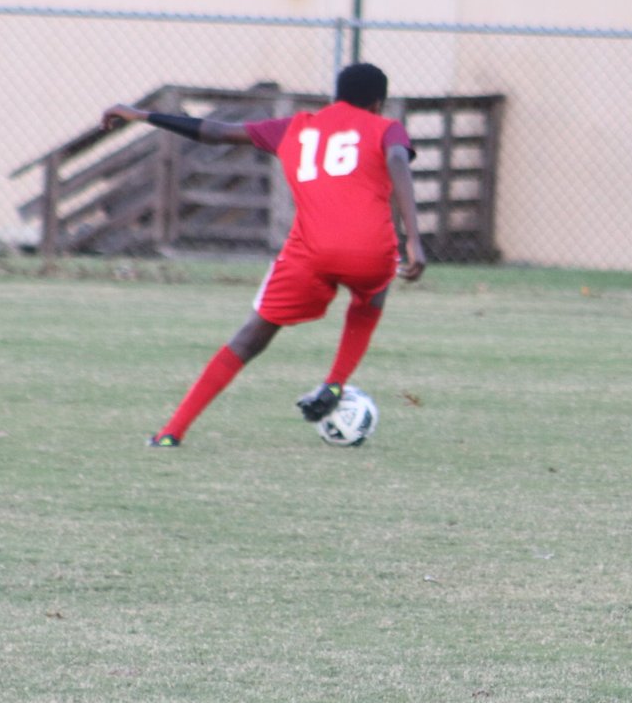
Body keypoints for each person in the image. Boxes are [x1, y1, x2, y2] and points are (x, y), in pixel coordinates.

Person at [100, 62, 427, 448]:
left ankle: (171, 432)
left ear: (335, 97)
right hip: (369, 250)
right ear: (378, 103)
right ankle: (335, 383)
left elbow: (214, 132)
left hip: (310, 253)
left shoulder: (295, 126)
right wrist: (413, 239)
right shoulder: (386, 128)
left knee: (250, 337)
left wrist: (142, 115)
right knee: (371, 297)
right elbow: (396, 160)